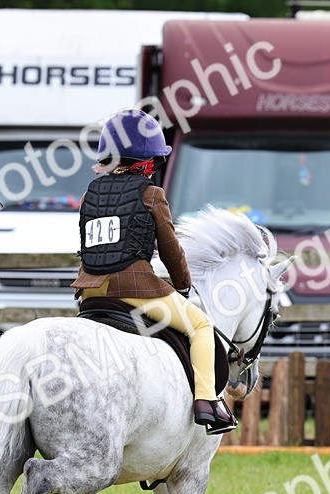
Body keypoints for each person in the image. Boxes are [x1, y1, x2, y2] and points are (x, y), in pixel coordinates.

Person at [73, 108, 234, 433]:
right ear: (148, 161)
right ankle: (207, 402)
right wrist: (183, 286)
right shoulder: (151, 194)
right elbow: (171, 251)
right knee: (201, 326)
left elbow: (88, 246)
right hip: (135, 291)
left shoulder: (90, 193)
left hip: (89, 293)